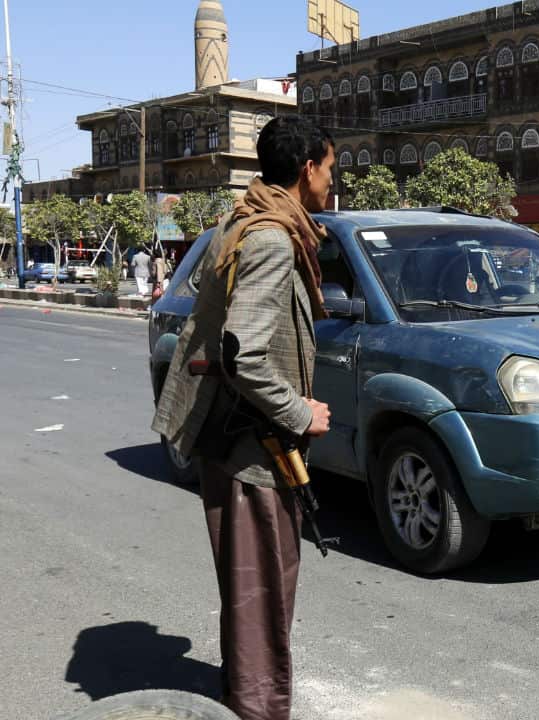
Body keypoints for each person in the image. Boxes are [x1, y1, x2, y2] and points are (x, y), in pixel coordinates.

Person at [151, 115, 334, 720]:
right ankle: (258, 708)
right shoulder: (273, 239)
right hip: (252, 450)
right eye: (330, 170)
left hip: (233, 441)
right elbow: (245, 355)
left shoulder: (245, 218)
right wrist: (300, 412)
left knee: (249, 591)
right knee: (262, 595)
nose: (332, 184)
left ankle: (244, 692)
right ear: (307, 169)